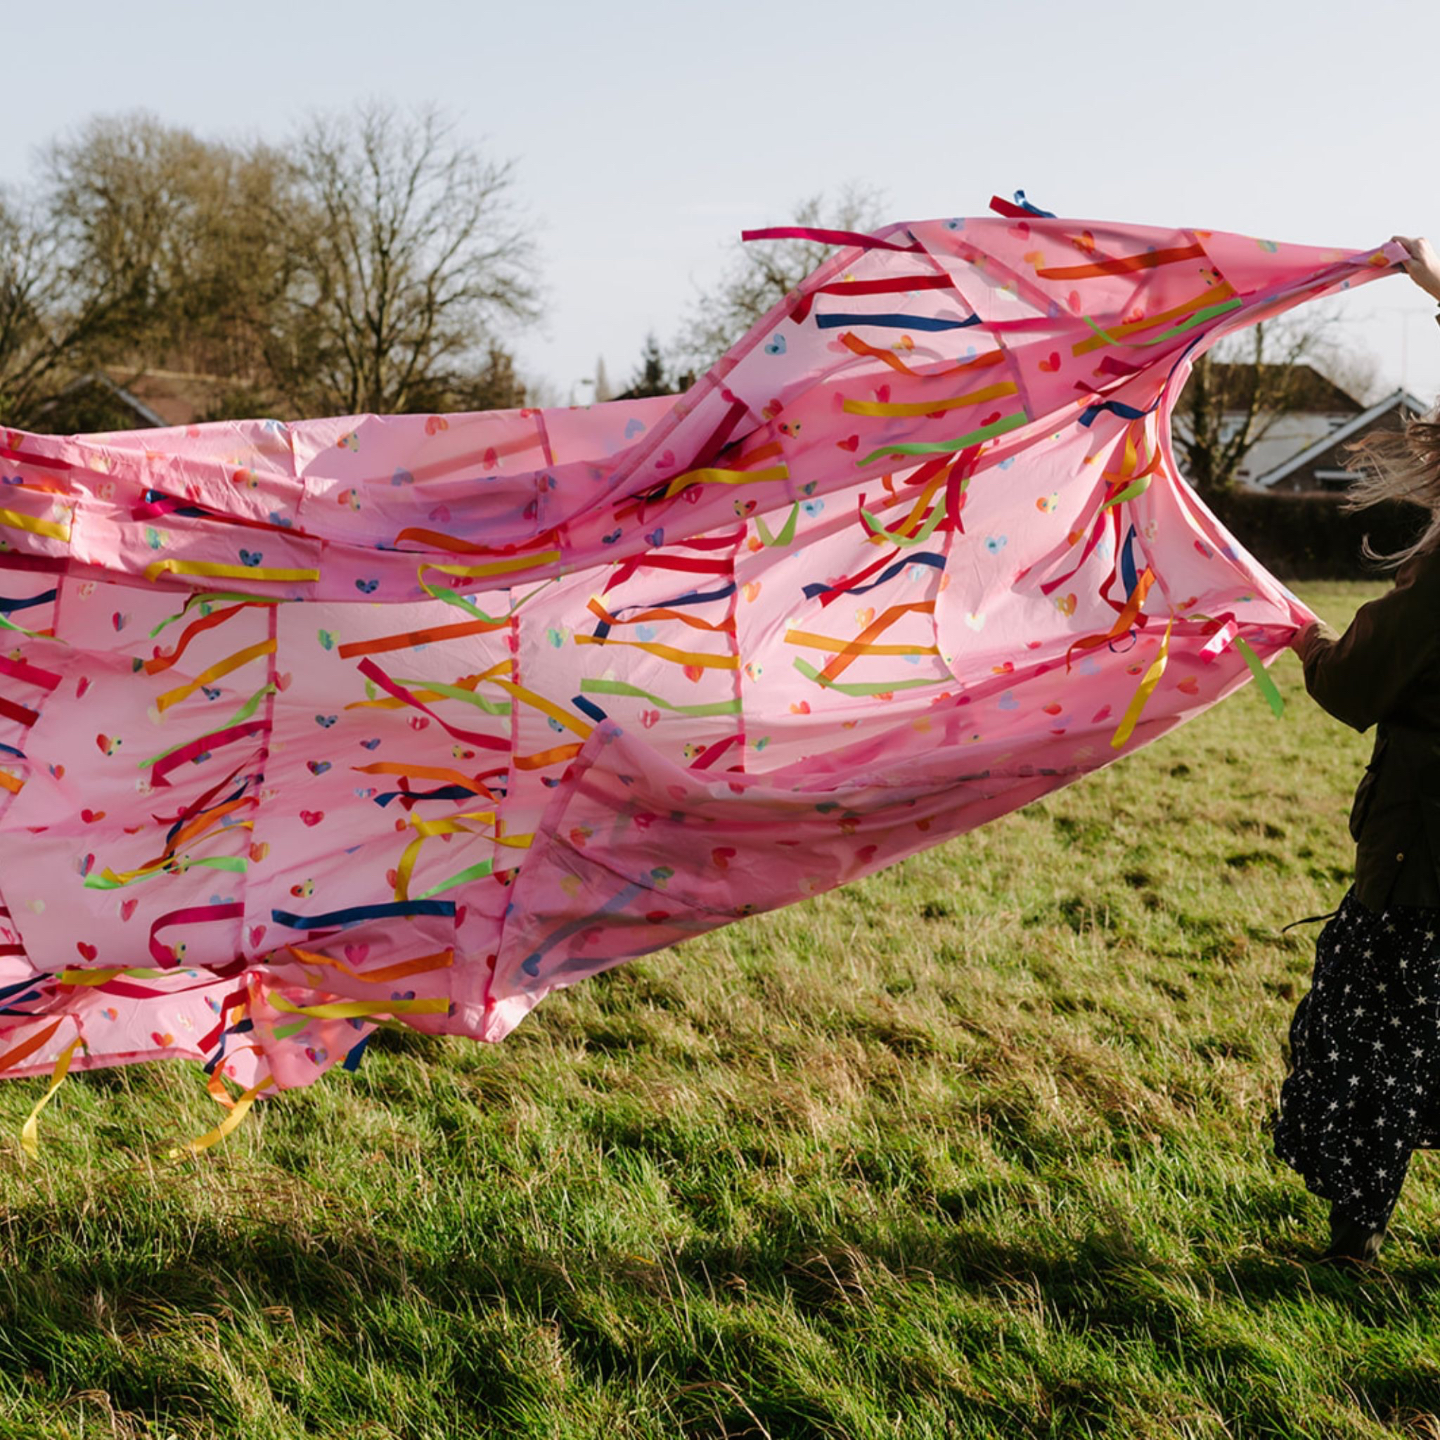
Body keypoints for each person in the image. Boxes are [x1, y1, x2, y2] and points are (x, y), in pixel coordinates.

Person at [1275, 235, 1440, 1264]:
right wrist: (1431, 285)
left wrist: (1305, 638)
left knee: (1376, 1045)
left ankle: (1355, 1241)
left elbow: (1352, 686)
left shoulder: (1439, 590)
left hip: (1423, 863)